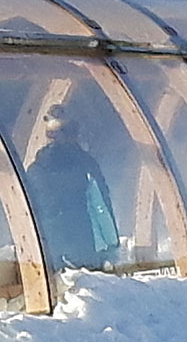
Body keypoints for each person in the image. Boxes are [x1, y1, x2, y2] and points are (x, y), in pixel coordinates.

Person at [22, 103, 118, 271]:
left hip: (47, 256)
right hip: (85, 254)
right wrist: (111, 246)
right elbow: (100, 206)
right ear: (73, 134)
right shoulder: (86, 165)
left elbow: (28, 212)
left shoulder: (35, 170)